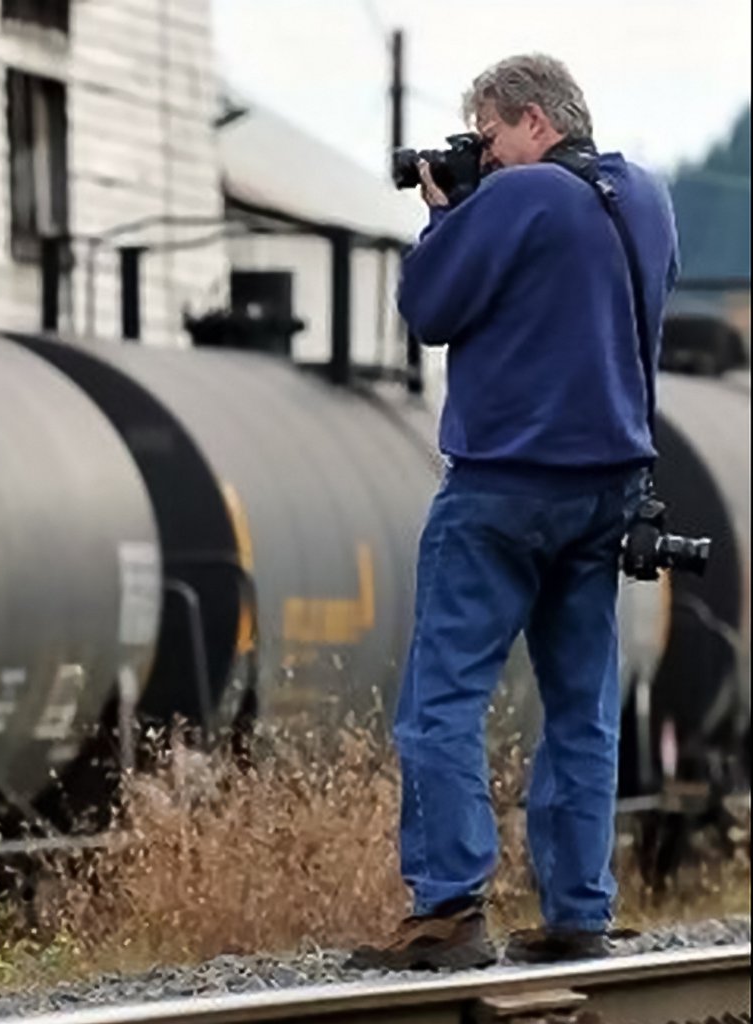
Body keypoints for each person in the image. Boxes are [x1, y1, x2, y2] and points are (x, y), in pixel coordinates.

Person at [348, 54, 679, 971]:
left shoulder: (516, 198)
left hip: (503, 485)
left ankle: (450, 911)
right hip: (609, 486)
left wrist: (442, 219)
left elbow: (427, 308)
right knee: (581, 704)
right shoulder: (644, 199)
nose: (480, 157)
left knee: (442, 701)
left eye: (487, 137)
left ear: (532, 121)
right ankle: (579, 911)